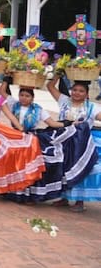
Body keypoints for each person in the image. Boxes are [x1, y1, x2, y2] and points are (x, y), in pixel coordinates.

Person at [48, 74, 101, 212]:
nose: (77, 93)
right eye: (75, 90)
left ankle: (79, 201)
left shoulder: (91, 107)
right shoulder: (64, 101)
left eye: (81, 91)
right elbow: (50, 87)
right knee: (63, 168)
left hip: (81, 144)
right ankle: (63, 197)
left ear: (87, 94)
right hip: (64, 141)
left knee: (81, 170)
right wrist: (57, 74)